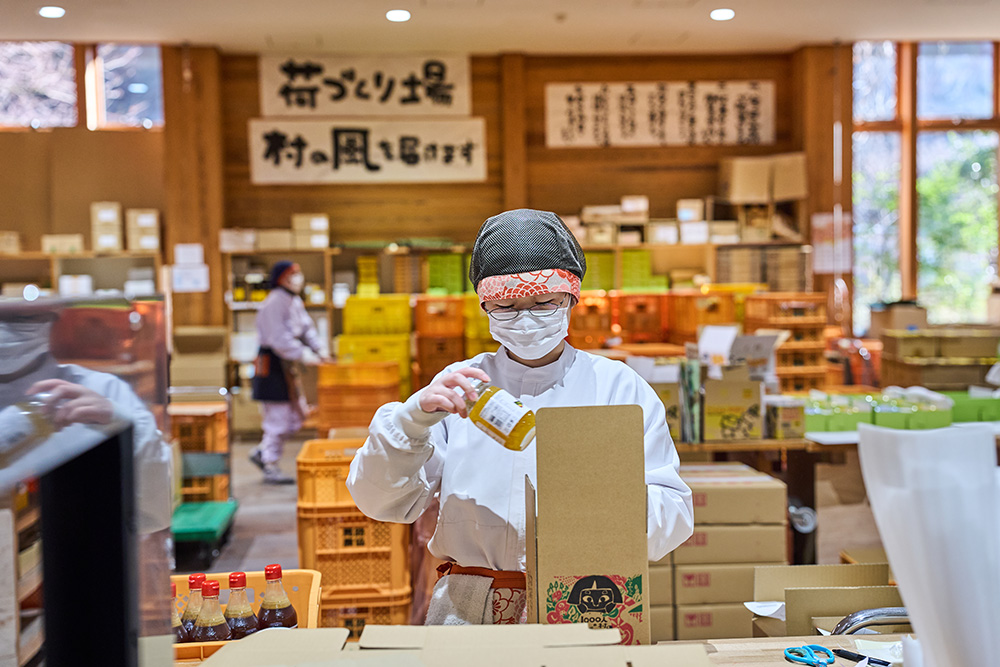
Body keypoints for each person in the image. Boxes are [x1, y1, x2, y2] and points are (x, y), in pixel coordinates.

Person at [347, 209, 694, 625]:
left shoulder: (617, 387)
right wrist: (408, 423)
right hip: (469, 605)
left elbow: (673, 514)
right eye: (507, 305)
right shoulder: (462, 387)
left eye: (544, 301)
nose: (526, 318)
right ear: (485, 305)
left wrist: (602, 500)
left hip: (585, 599)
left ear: (572, 298)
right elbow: (384, 503)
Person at [250, 261, 328, 484]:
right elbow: (279, 339)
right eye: (293, 274)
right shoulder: (274, 302)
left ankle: (262, 452)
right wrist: (305, 355)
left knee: (295, 417)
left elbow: (306, 329)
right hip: (272, 365)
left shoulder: (293, 301)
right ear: (282, 278)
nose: (298, 278)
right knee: (279, 419)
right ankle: (269, 462)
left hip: (287, 366)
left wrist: (319, 349)